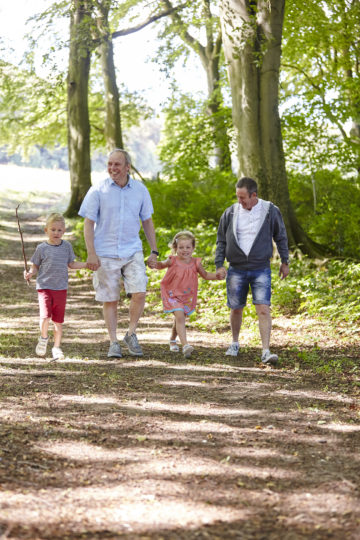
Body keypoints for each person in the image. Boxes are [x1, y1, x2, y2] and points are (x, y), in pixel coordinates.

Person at [78, 148, 159, 358]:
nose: (112, 168)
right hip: (104, 251)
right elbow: (88, 223)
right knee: (110, 298)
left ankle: (131, 333)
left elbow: (147, 221)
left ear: (127, 167)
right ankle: (113, 341)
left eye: (117, 164)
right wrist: (91, 253)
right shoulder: (97, 190)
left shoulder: (140, 190)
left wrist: (154, 250)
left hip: (132, 250)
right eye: (110, 164)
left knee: (140, 291)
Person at [215, 177, 290, 365]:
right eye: (237, 197)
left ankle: (265, 350)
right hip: (236, 269)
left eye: (243, 198)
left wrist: (285, 261)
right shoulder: (231, 212)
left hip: (260, 268)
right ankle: (234, 343)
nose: (239, 201)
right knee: (236, 309)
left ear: (254, 195)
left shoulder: (270, 211)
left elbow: (280, 236)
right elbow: (221, 240)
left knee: (263, 308)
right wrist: (219, 264)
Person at [24, 213, 89, 360]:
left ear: (64, 231)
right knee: (45, 316)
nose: (56, 233)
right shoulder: (41, 248)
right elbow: (35, 267)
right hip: (44, 287)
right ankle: (43, 338)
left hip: (61, 288)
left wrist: (86, 265)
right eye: (53, 229)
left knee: (58, 321)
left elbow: (71, 264)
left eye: (59, 230)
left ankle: (57, 347)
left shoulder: (66, 246)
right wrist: (29, 273)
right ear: (46, 230)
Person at [152, 231, 220, 358]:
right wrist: (155, 263)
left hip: (187, 296)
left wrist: (217, 276)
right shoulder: (172, 260)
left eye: (188, 247)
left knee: (180, 318)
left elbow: (205, 275)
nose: (185, 250)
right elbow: (161, 265)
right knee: (179, 316)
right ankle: (185, 345)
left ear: (193, 248)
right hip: (172, 294)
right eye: (181, 247)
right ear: (175, 248)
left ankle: (173, 339)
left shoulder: (195, 263)